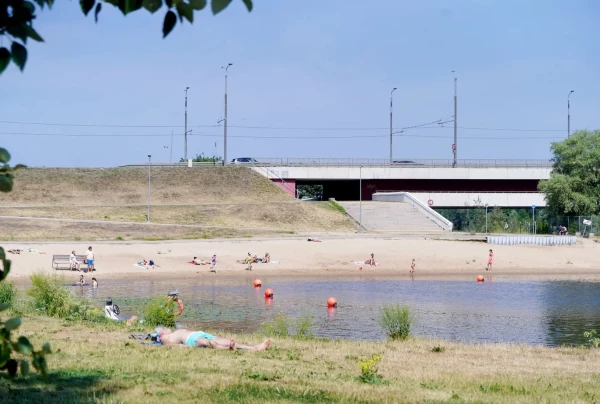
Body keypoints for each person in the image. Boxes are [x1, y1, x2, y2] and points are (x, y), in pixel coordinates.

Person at [156, 327, 270, 351]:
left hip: (201, 334)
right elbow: (171, 345)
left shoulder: (175, 330)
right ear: (160, 333)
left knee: (229, 341)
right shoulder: (165, 337)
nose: (166, 328)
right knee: (209, 342)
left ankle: (255, 348)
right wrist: (186, 347)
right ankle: (220, 348)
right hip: (192, 339)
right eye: (163, 329)